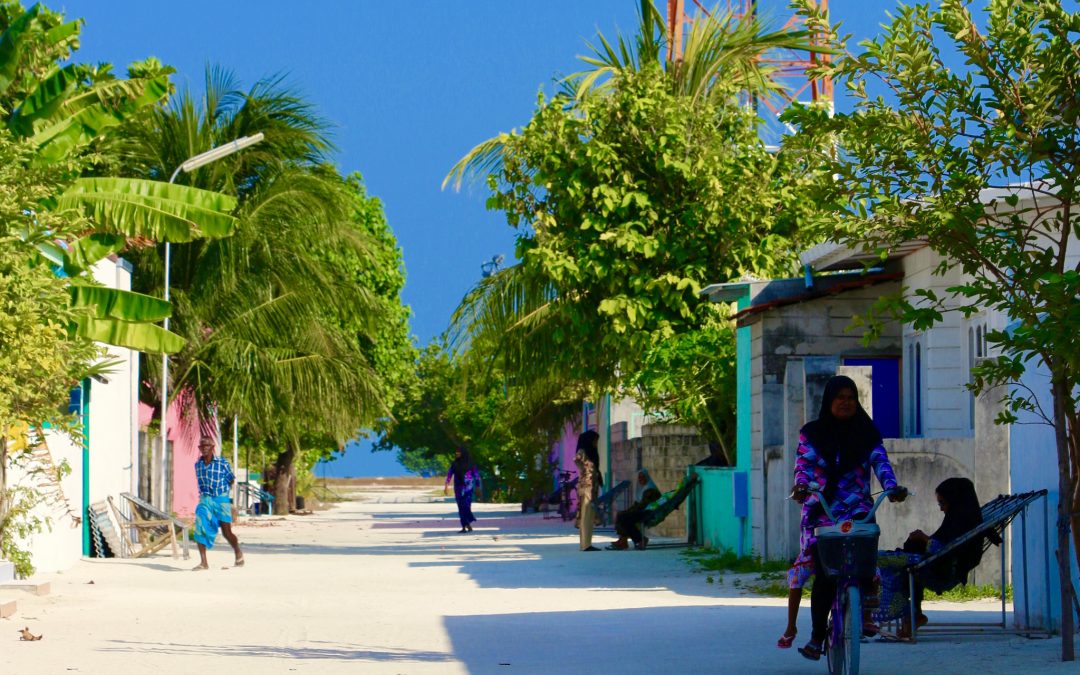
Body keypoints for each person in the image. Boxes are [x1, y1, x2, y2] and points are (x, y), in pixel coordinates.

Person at [790, 375, 908, 661]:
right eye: (840, 397)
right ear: (829, 400)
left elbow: (881, 462)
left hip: (857, 508)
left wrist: (892, 487)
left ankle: (864, 612)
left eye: (851, 398)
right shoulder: (811, 433)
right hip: (823, 510)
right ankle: (817, 636)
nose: (846, 402)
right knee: (825, 575)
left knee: (865, 559)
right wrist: (801, 486)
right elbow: (803, 465)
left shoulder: (867, 432)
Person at [874, 476, 998, 637]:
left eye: (942, 504)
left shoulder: (962, 523)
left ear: (955, 502)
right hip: (934, 566)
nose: (941, 509)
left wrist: (923, 538)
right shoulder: (958, 519)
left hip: (944, 573)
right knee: (892, 560)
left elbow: (948, 550)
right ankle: (911, 614)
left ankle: (904, 612)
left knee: (885, 560)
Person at [192, 436, 244, 570]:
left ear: (212, 447)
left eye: (207, 446)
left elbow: (231, 479)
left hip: (221, 499)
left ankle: (237, 551)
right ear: (199, 448)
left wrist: (224, 494)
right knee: (200, 526)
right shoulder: (198, 465)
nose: (204, 448)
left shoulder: (222, 463)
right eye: (202, 446)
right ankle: (204, 562)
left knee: (227, 532)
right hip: (205, 499)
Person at [607, 469, 661, 550]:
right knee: (622, 515)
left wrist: (629, 512)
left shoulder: (650, 490)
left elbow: (643, 505)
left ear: (647, 477)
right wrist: (628, 511)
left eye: (643, 477)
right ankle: (623, 540)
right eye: (639, 477)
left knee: (625, 518)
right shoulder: (643, 489)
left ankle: (639, 540)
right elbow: (637, 505)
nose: (641, 479)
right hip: (643, 512)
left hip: (649, 513)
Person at [444, 446, 482, 533]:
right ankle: (464, 526)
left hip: (468, 488)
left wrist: (478, 487)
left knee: (466, 506)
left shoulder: (471, 464)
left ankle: (468, 521)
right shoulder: (454, 464)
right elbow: (449, 475)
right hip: (458, 488)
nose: (457, 453)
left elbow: (476, 476)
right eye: (456, 452)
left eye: (459, 452)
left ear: (463, 453)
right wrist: (446, 486)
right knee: (460, 506)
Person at [575, 430, 601, 552]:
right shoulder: (583, 451)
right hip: (586, 487)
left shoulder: (591, 452)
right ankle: (585, 544)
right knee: (586, 515)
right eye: (595, 441)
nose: (596, 443)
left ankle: (586, 543)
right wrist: (584, 470)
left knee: (589, 515)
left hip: (591, 486)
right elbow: (577, 460)